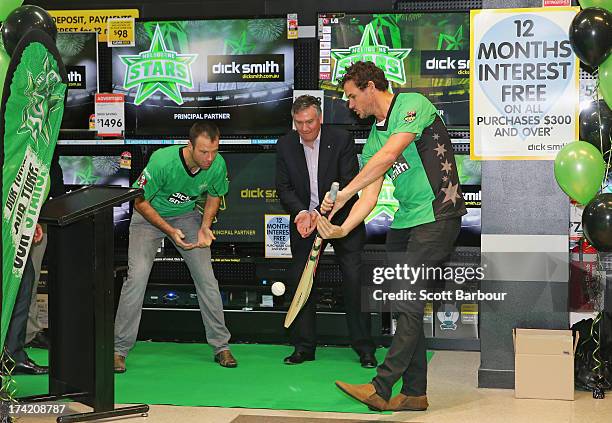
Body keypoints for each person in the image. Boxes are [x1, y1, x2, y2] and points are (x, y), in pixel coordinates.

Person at [317, 61, 466, 411]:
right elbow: (369, 195)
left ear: (371, 87)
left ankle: (381, 388)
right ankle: (414, 393)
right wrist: (342, 227)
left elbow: (388, 157)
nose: (350, 105)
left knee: (407, 301)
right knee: (403, 305)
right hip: (404, 223)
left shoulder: (412, 104)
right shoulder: (372, 138)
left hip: (437, 217)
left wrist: (341, 195)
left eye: (352, 96)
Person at [114, 121, 237, 372]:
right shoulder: (162, 161)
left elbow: (214, 194)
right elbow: (138, 200)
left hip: (186, 217)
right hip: (147, 218)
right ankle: (119, 350)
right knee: (136, 279)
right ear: (189, 145)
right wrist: (168, 230)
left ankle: (221, 346)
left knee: (207, 279)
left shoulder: (217, 164)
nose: (210, 158)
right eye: (204, 152)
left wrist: (205, 225)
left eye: (214, 151)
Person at [276, 95, 376, 368]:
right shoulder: (285, 144)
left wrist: (321, 214)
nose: (305, 128)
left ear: (320, 118)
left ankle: (365, 348)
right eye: (299, 123)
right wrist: (301, 214)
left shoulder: (341, 139)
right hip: (304, 222)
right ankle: (304, 347)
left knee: (355, 281)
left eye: (309, 122)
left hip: (343, 220)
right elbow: (283, 188)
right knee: (301, 280)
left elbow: (347, 183)